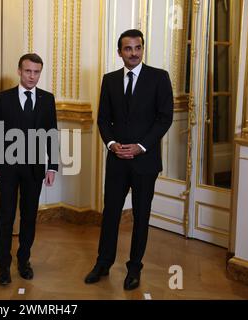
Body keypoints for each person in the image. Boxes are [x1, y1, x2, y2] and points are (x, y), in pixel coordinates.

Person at [85, 29, 173, 290]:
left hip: (145, 162)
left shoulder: (159, 77)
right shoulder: (109, 79)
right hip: (116, 160)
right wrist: (112, 145)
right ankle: (103, 263)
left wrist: (141, 146)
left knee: (141, 215)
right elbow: (103, 118)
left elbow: (164, 118)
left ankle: (134, 268)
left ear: (142, 49)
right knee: (110, 213)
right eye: (128, 48)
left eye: (138, 47)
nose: (133, 53)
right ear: (119, 52)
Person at [0, 53, 58, 285]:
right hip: (7, 167)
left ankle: (24, 260)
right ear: (19, 71)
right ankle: (3, 267)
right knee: (6, 217)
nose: (32, 76)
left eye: (37, 72)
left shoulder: (47, 99)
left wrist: (52, 167)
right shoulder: (3, 98)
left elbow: (52, 135)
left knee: (29, 217)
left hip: (35, 169)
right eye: (28, 71)